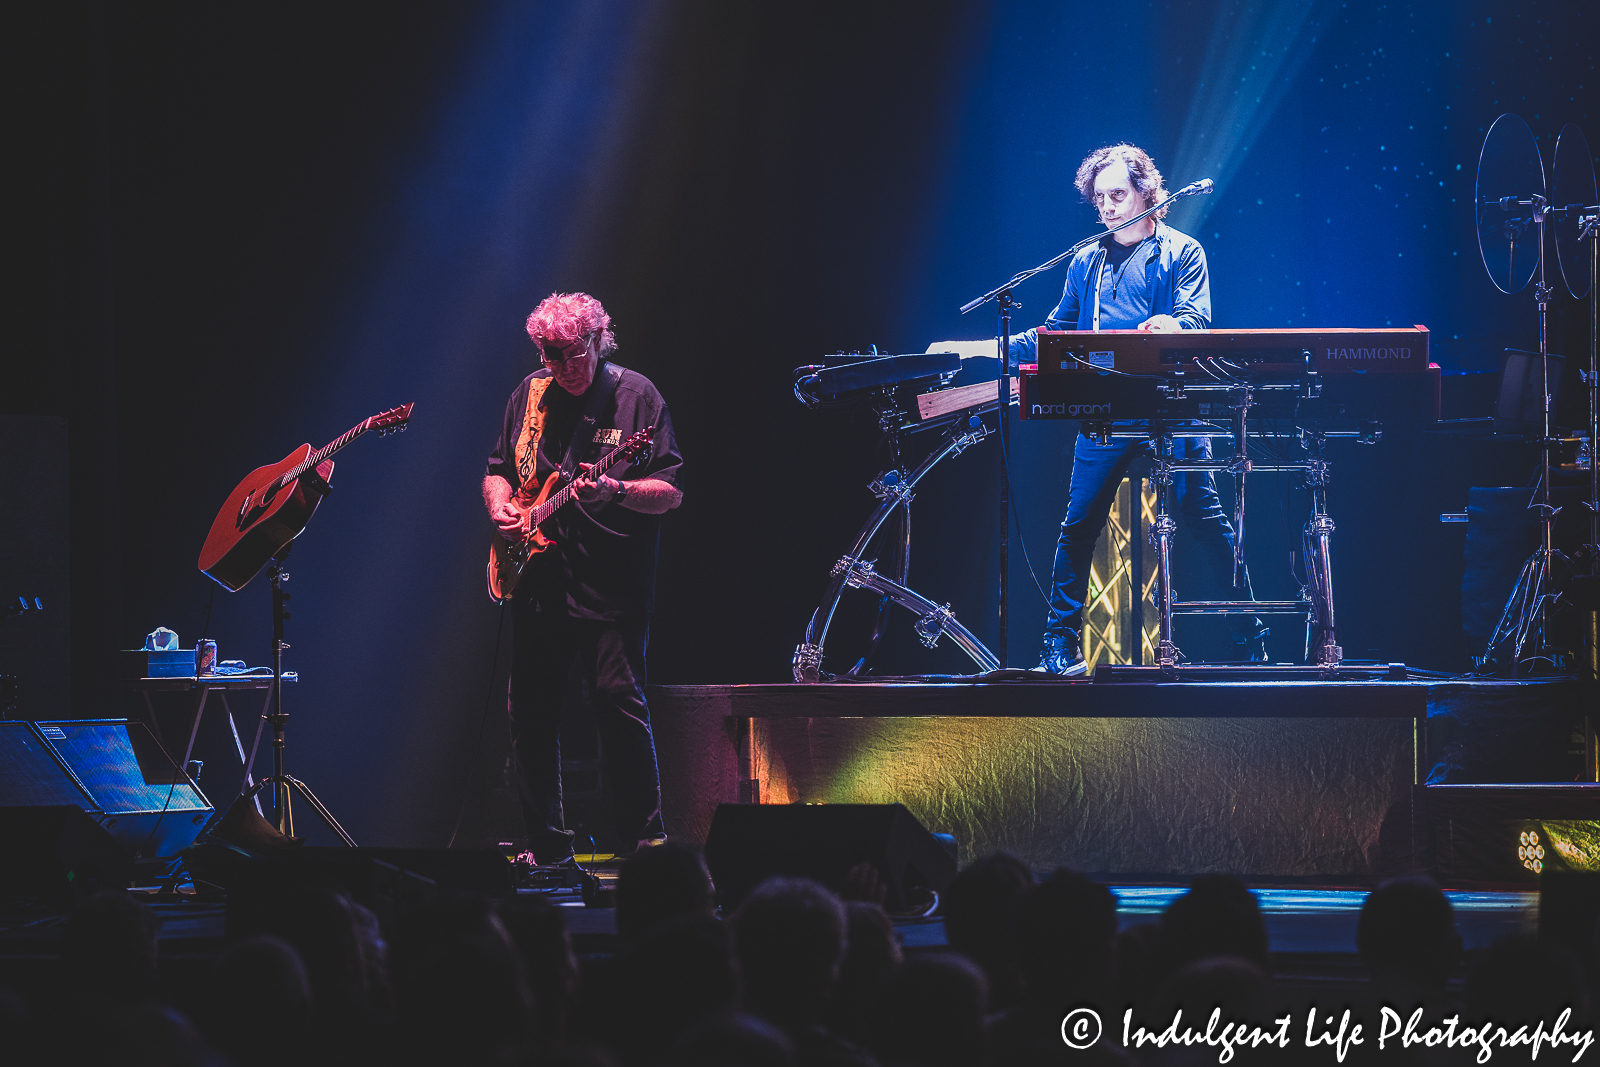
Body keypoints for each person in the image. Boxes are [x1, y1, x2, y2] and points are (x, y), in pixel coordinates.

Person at [1008, 143, 1265, 673]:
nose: (1107, 206)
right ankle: (1058, 647)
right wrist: (995, 346)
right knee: (1078, 526)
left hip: (1174, 411)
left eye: (1118, 194)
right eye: (1099, 197)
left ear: (1147, 192)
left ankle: (1248, 637)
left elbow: (1196, 323)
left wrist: (1175, 325)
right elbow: (1057, 332)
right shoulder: (1086, 260)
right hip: (1106, 413)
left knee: (1208, 522)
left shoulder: (1184, 251)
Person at [484, 291, 683, 863]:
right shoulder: (531, 392)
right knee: (529, 715)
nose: (560, 368)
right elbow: (497, 470)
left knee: (618, 705)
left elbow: (669, 493)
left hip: (610, 583)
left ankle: (646, 844)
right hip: (539, 583)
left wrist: (616, 488)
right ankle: (547, 846)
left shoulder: (636, 397)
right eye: (548, 354)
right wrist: (500, 506)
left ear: (599, 339)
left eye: (571, 354)